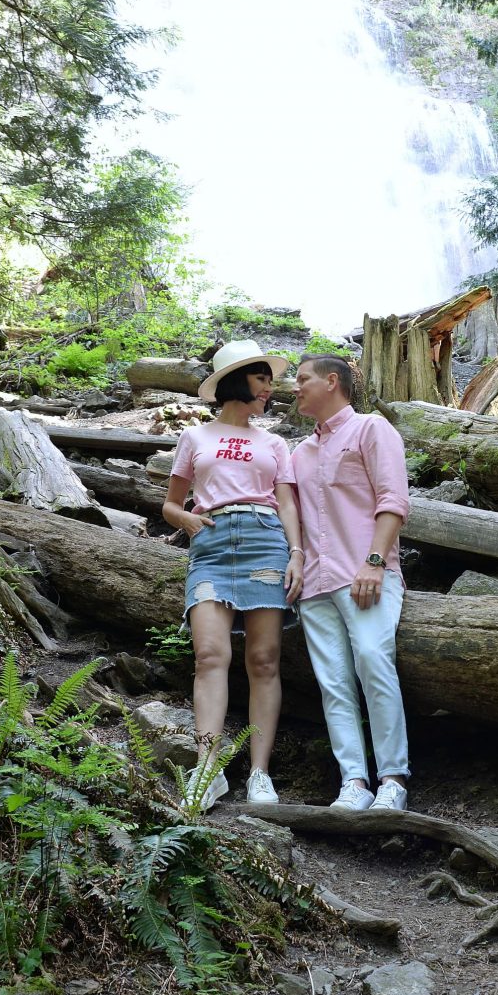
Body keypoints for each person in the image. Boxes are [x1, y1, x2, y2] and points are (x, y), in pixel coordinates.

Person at [163, 339, 304, 810]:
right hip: (212, 543)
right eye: (263, 378)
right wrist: (185, 519)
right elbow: (170, 503)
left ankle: (260, 773)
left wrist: (297, 551)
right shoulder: (195, 437)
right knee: (208, 655)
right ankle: (207, 768)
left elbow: (286, 501)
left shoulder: (275, 443)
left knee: (263, 659)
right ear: (236, 382)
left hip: (266, 538)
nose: (270, 387)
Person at [285, 353, 411, 811]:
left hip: (365, 574)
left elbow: (393, 498)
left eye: (302, 379)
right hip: (315, 584)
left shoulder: (371, 429)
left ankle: (393, 779)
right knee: (333, 682)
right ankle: (353, 783)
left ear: (332, 381)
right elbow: (290, 514)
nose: (294, 387)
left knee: (374, 660)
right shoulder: (299, 453)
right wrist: (296, 558)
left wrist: (375, 561)